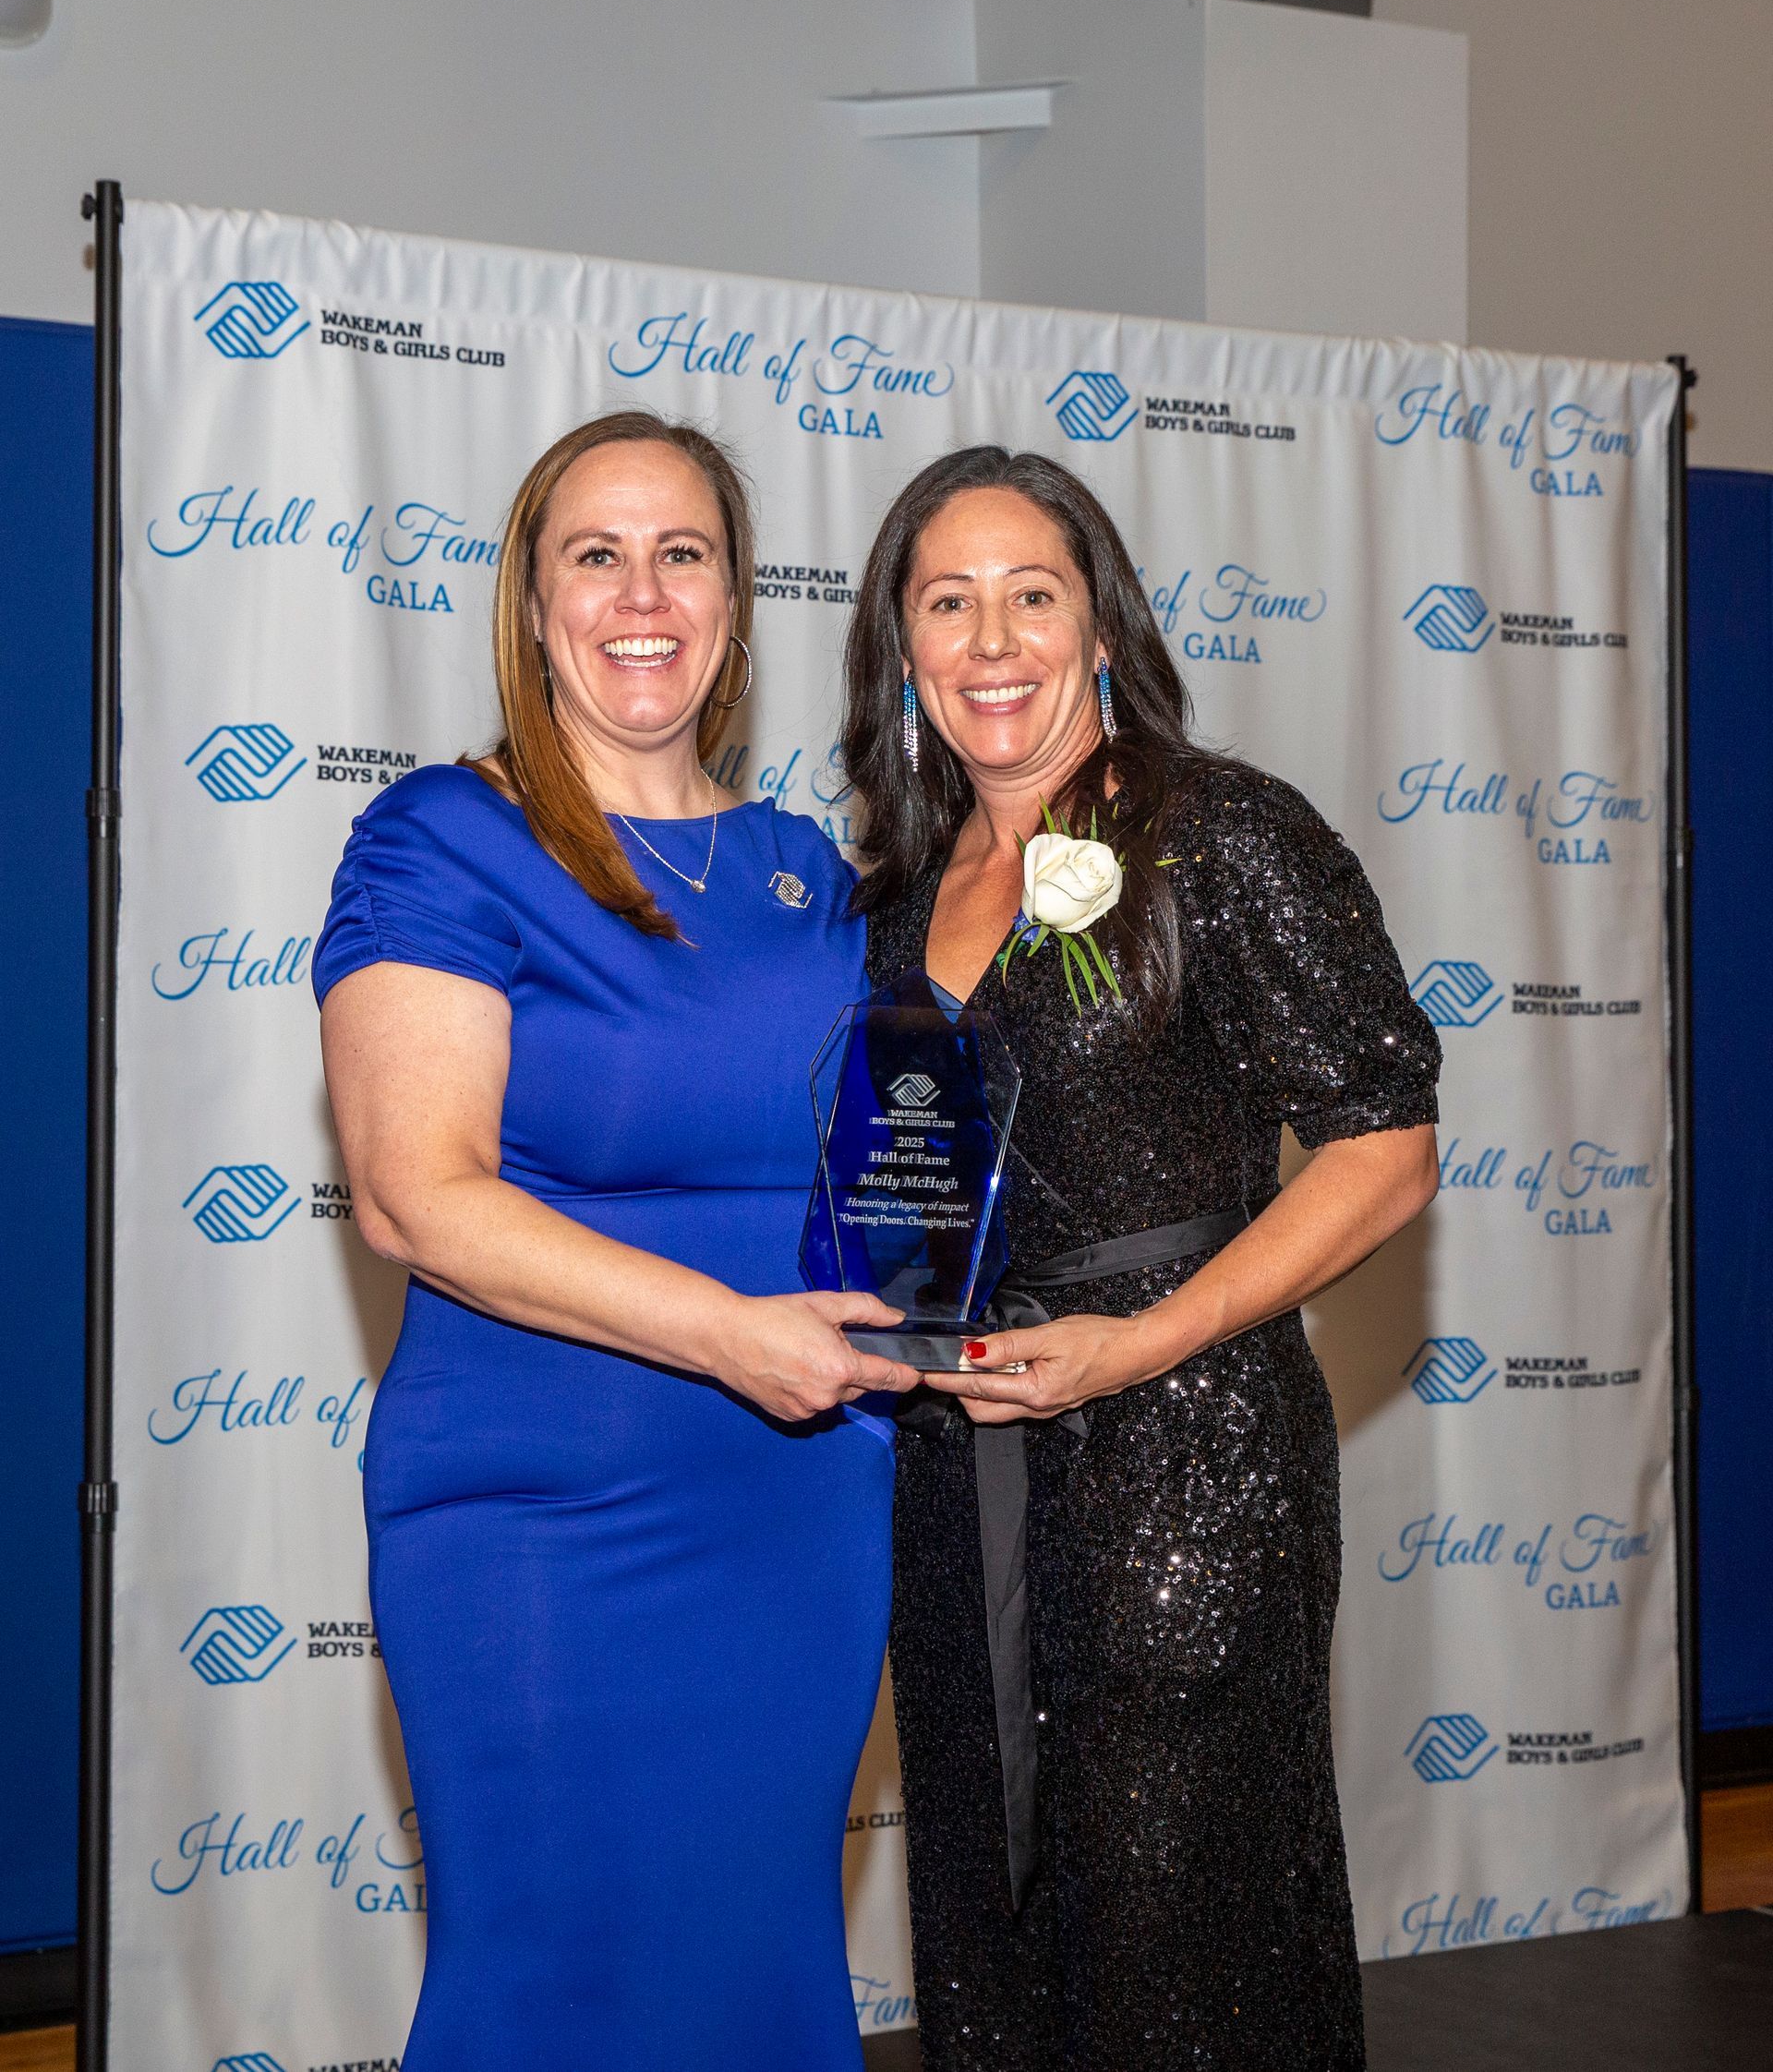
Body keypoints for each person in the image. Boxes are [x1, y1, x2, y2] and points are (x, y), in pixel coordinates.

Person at [313, 411, 915, 2072]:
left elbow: (897, 1169)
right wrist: (730, 1333)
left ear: (734, 599)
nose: (642, 595)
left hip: (797, 1505)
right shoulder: (446, 837)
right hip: (539, 1517)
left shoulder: (805, 872)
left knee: (757, 1968)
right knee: (552, 1982)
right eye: (597, 555)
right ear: (534, 604)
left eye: (683, 554)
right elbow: (416, 1197)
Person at [841, 446, 1441, 2070]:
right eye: (947, 602)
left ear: (1100, 626)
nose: (991, 640)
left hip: (1185, 1471)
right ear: (902, 646)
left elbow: (1386, 1145)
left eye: (1031, 595)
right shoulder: (896, 896)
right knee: (987, 1927)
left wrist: (1144, 1339)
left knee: (1188, 1948)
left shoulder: (1219, 835)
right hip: (955, 1478)